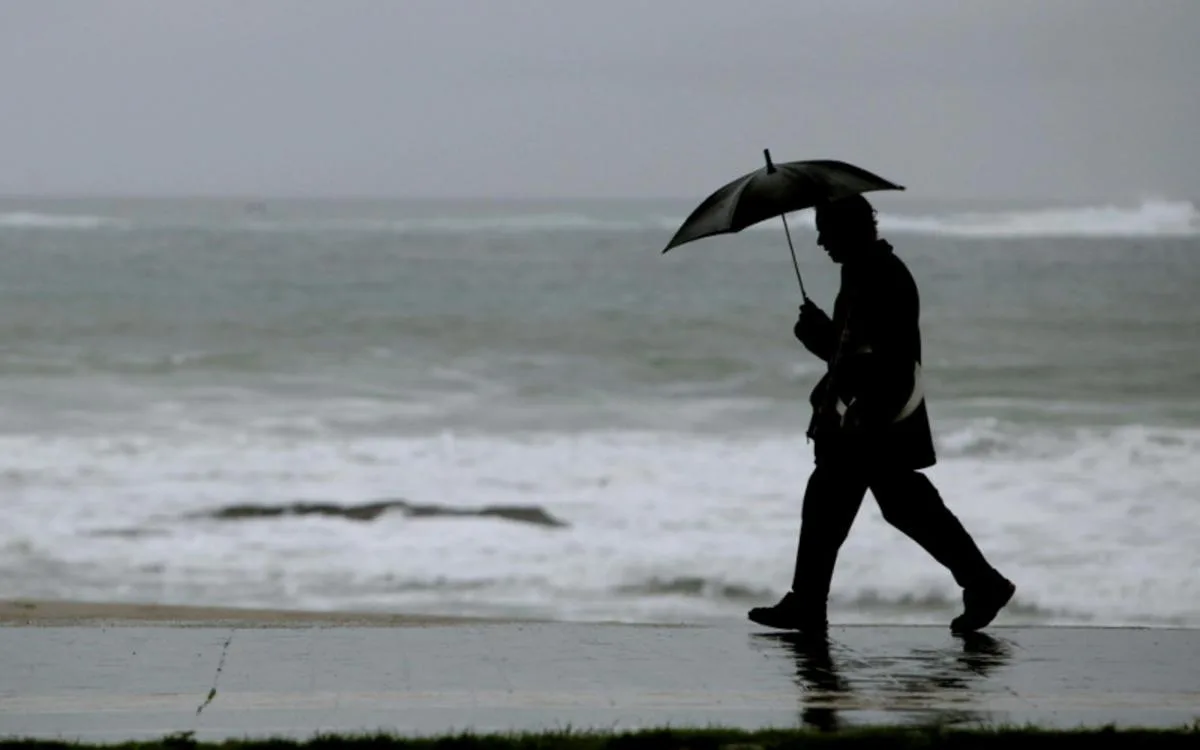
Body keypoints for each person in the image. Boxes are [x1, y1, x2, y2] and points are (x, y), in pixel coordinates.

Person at [748, 194, 1015, 634]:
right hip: (869, 415)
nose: (820, 242)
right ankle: (980, 582)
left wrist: (821, 339)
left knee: (862, 503)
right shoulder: (867, 271)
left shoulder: (880, 276)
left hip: (871, 418)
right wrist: (826, 337)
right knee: (883, 504)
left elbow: (875, 358)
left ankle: (809, 603)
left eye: (826, 231)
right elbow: (857, 350)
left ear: (849, 230)